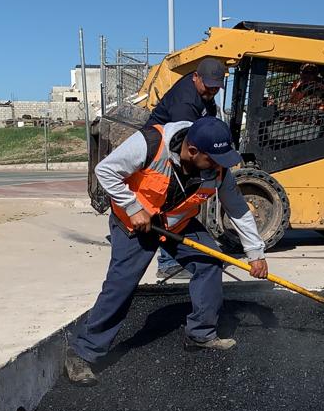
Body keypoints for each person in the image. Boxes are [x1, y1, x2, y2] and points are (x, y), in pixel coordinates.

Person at [64, 117, 268, 387]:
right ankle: (83, 353)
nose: (220, 165)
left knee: (209, 261)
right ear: (192, 151)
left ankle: (201, 332)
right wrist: (133, 207)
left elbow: (238, 209)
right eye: (215, 159)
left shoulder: (217, 171)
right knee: (121, 284)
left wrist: (256, 252)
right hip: (134, 224)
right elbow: (105, 171)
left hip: (177, 223)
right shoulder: (150, 143)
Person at [148, 57, 228, 279]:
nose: (212, 90)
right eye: (208, 85)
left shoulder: (205, 94)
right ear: (196, 77)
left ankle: (179, 256)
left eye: (216, 86)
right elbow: (188, 139)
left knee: (180, 206)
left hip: (181, 154)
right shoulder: (186, 102)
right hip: (163, 156)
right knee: (171, 204)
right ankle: (167, 262)